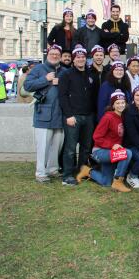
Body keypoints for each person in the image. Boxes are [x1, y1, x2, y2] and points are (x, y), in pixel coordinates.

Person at [24, 45, 66, 183]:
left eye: (57, 54)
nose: (55, 56)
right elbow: (27, 86)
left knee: (56, 145)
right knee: (43, 146)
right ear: (48, 54)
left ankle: (52, 169)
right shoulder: (38, 69)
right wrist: (46, 79)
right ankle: (41, 172)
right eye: (52, 53)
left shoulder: (64, 71)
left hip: (60, 115)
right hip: (44, 114)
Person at [76, 90, 132, 192]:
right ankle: (118, 182)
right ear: (113, 105)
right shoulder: (108, 117)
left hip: (110, 153)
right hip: (100, 151)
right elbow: (96, 137)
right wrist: (112, 145)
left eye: (123, 102)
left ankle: (87, 171)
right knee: (127, 153)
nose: (121, 105)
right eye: (118, 103)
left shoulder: (121, 117)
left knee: (106, 182)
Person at [58, 46, 95, 186]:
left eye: (83, 57)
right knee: (70, 148)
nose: (81, 59)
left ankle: (81, 171)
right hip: (73, 116)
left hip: (88, 116)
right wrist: (68, 115)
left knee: (86, 147)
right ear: (74, 59)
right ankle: (67, 175)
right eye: (78, 57)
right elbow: (62, 96)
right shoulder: (66, 75)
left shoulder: (90, 73)